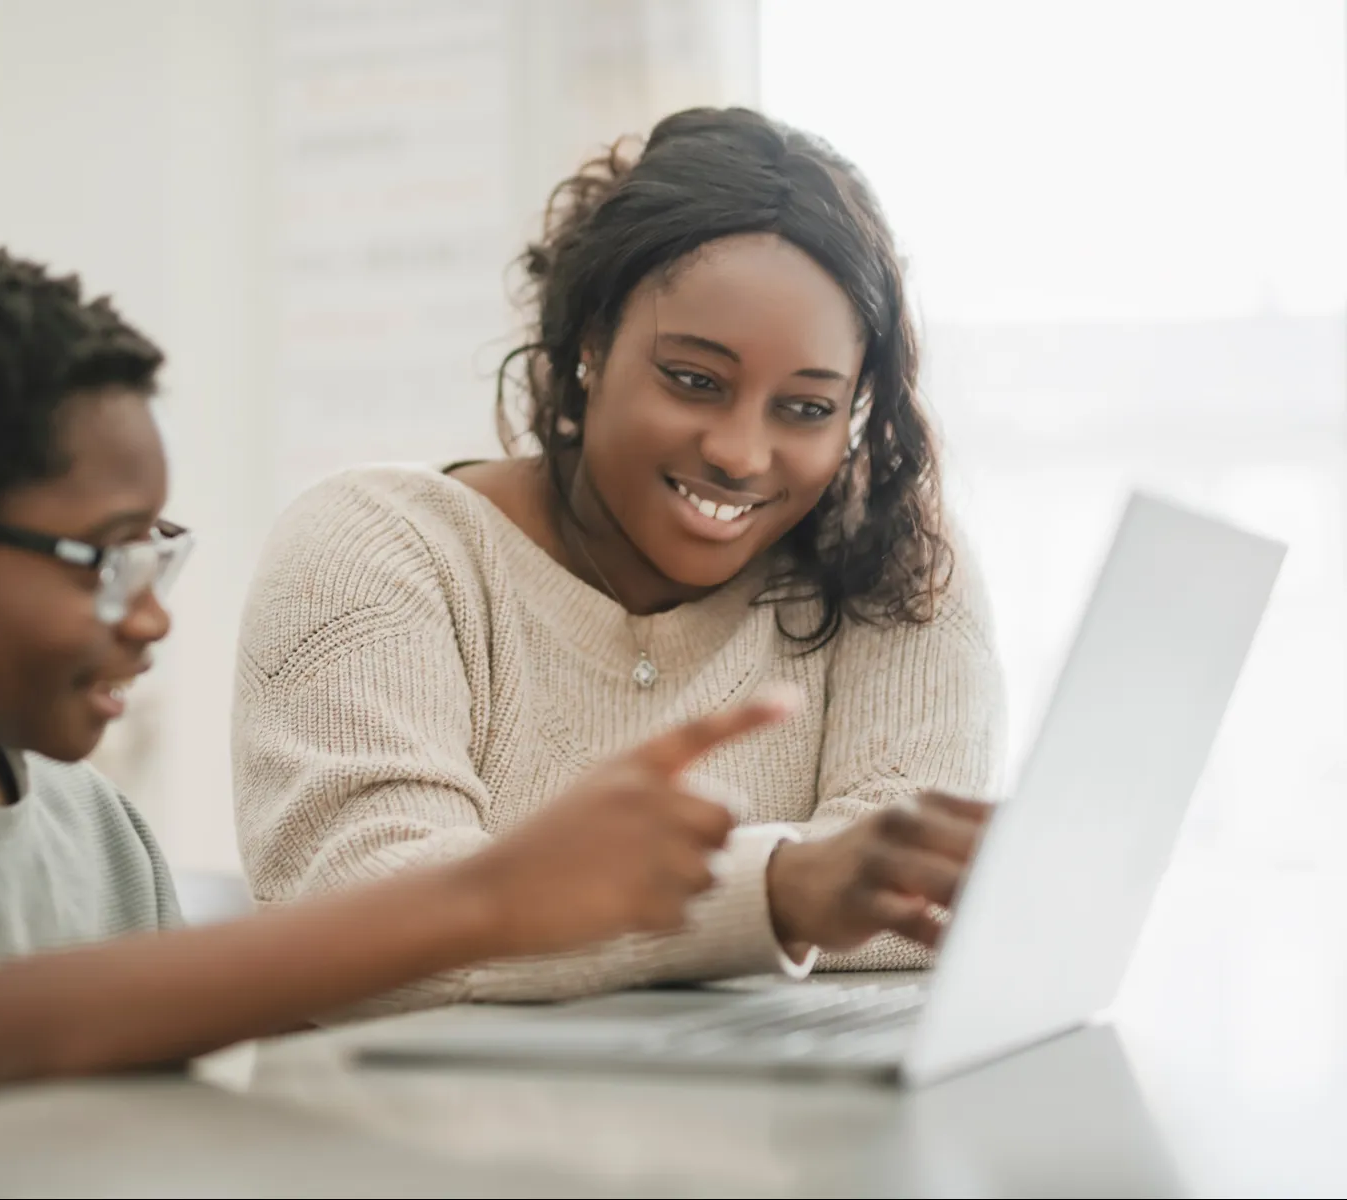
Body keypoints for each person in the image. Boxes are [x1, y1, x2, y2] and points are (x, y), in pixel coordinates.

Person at [0, 239, 799, 1132]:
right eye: (107, 560)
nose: (154, 613)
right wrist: (487, 901)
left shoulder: (95, 830)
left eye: (157, 553)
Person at [233, 107, 1006, 1011]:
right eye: (694, 380)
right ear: (591, 344)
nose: (741, 453)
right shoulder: (373, 548)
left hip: (777, 1137)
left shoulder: (893, 564)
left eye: (804, 408)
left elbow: (909, 901)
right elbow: (357, 921)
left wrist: (794, 900)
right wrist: (780, 893)